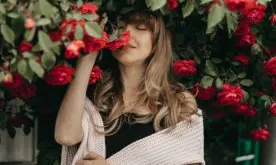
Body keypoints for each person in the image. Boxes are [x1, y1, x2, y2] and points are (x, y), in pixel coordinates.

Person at [55, 10, 205, 165]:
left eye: (140, 27)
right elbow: (66, 136)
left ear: (157, 40)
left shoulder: (178, 104)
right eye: (118, 26)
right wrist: (87, 58)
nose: (126, 33)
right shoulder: (94, 97)